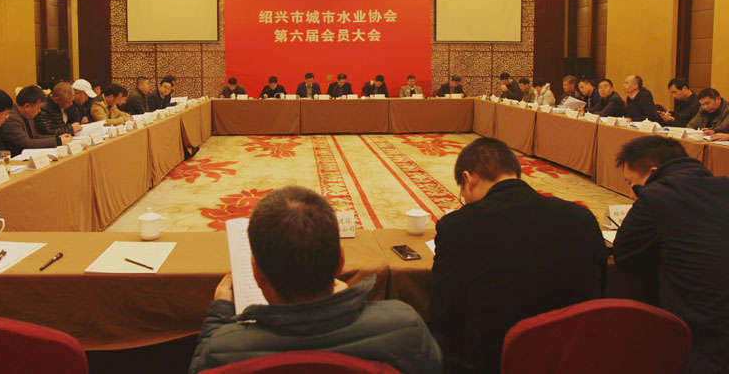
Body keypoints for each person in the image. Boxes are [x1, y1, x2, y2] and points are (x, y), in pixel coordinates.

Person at [189, 186, 442, 374]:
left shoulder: (222, 348)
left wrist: (218, 315)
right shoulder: (405, 327)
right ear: (340, 262)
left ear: (256, 273)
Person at [431, 137, 606, 373]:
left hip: (491, 363)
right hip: (570, 357)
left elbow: (443, 315)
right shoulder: (582, 218)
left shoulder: (458, 226)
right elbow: (599, 291)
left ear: (468, 179)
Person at [613, 136, 729, 373]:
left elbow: (625, 255)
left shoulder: (655, 196)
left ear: (653, 173)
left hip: (703, 341)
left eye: (631, 184)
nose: (632, 194)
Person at [1, 85, 72, 156]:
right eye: (38, 108)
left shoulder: (27, 114)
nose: (39, 111)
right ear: (27, 106)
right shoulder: (11, 118)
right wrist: (58, 141)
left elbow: (35, 136)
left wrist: (58, 138)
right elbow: (26, 143)